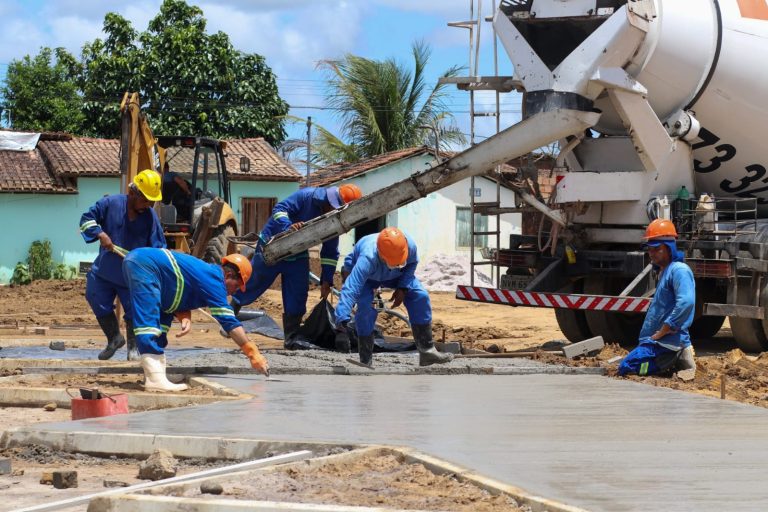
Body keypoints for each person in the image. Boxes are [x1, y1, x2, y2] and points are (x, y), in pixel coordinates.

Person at [230, 184, 363, 343]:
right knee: (253, 282)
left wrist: (326, 279)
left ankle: (291, 338)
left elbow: (330, 251)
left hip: (298, 253)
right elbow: (279, 209)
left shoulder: (333, 220)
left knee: (297, 294)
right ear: (329, 200)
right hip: (272, 246)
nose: (332, 210)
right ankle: (229, 318)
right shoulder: (306, 196)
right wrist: (288, 227)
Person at [122, 249, 269, 391]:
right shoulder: (214, 279)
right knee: (149, 322)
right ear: (229, 275)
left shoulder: (206, 274)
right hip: (145, 265)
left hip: (145, 266)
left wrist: (184, 315)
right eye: (236, 285)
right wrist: (252, 352)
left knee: (161, 327)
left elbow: (178, 287)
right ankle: (155, 380)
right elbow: (228, 321)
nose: (234, 291)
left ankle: (155, 376)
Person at [334, 227, 454, 367]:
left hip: (396, 276)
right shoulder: (367, 258)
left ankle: (427, 351)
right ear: (381, 255)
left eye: (399, 261)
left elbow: (411, 264)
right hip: (369, 278)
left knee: (420, 296)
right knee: (365, 309)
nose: (397, 263)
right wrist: (341, 319)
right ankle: (365, 359)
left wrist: (403, 288)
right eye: (393, 262)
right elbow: (351, 286)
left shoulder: (409, 246)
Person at [79, 169, 166, 361]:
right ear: (133, 193)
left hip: (132, 276)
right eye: (145, 200)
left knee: (135, 309)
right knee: (94, 295)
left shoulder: (150, 218)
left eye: (152, 201)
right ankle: (114, 338)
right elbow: (86, 221)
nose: (149, 205)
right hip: (105, 269)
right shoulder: (110, 204)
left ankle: (134, 349)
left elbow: (159, 249)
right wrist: (100, 234)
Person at [618, 219, 696, 377]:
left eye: (656, 249)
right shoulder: (665, 271)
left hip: (666, 342)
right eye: (649, 249)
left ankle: (669, 363)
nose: (651, 253)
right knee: (629, 365)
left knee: (627, 367)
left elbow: (686, 302)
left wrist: (665, 328)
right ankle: (668, 363)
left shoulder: (679, 270)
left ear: (669, 248)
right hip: (657, 342)